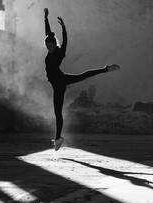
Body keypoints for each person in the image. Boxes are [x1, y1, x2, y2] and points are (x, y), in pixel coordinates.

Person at [43, 8, 120, 151]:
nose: (49, 48)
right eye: (47, 46)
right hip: (56, 84)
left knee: (83, 75)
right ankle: (58, 138)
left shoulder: (59, 53)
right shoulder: (50, 47)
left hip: (60, 81)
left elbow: (65, 41)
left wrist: (64, 28)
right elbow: (47, 33)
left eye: (51, 45)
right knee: (57, 113)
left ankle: (106, 68)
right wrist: (46, 18)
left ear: (55, 44)